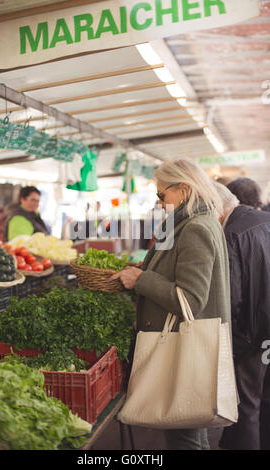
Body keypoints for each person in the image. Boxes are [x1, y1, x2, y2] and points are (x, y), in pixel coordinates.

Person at [111, 158, 231, 450]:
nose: (159, 201)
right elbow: (174, 269)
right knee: (190, 430)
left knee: (184, 435)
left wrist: (141, 280)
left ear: (185, 190)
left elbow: (190, 297)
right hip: (187, 342)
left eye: (162, 195)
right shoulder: (187, 222)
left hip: (184, 344)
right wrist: (145, 269)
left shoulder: (196, 228)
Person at [215, 182, 270, 450]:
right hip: (265, 329)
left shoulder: (231, 234)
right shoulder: (266, 219)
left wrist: (233, 341)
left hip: (252, 334)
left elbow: (233, 298)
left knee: (246, 406)